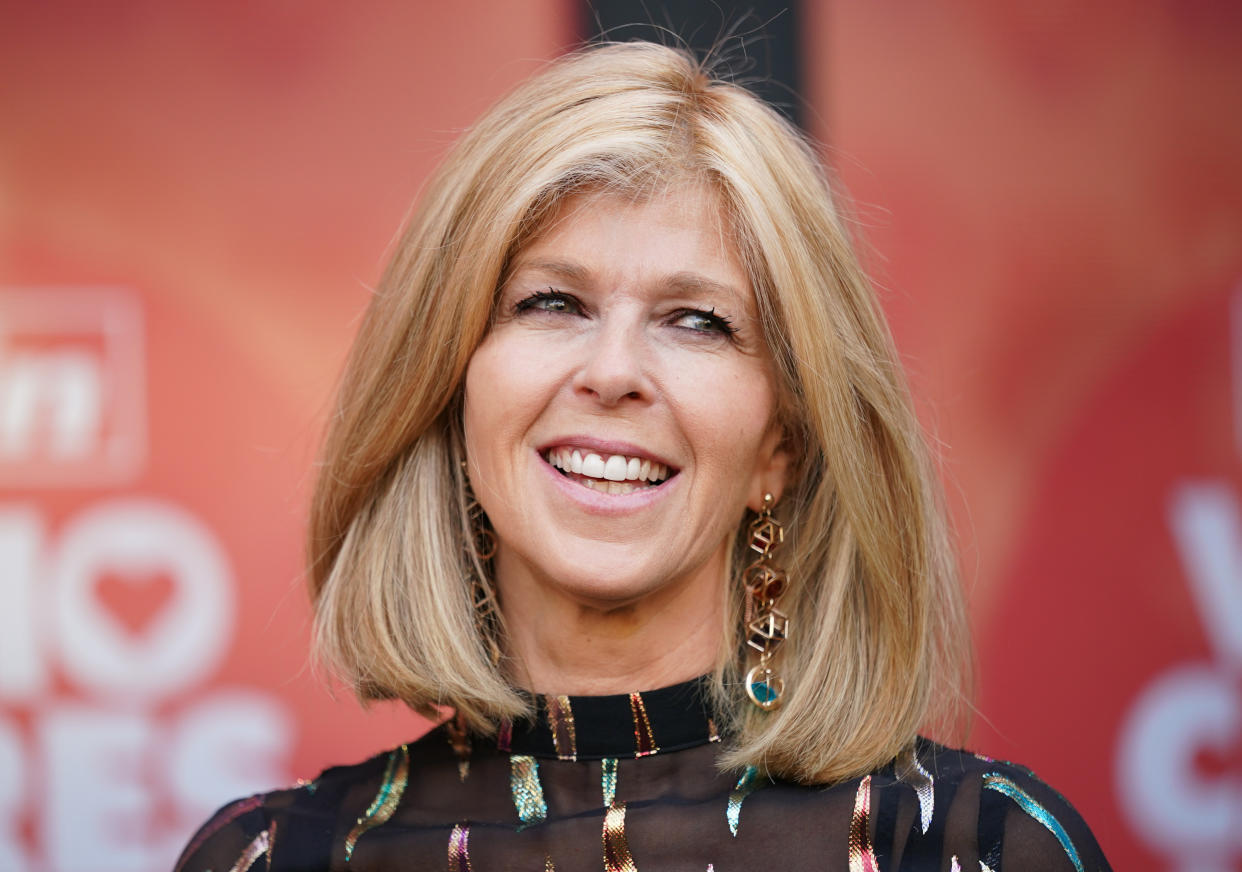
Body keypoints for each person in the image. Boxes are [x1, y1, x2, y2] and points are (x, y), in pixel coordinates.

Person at [176, 41, 1111, 871]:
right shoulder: (268, 859)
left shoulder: (971, 848)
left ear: (778, 448)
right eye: (551, 303)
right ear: (449, 392)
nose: (614, 371)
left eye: (697, 321)